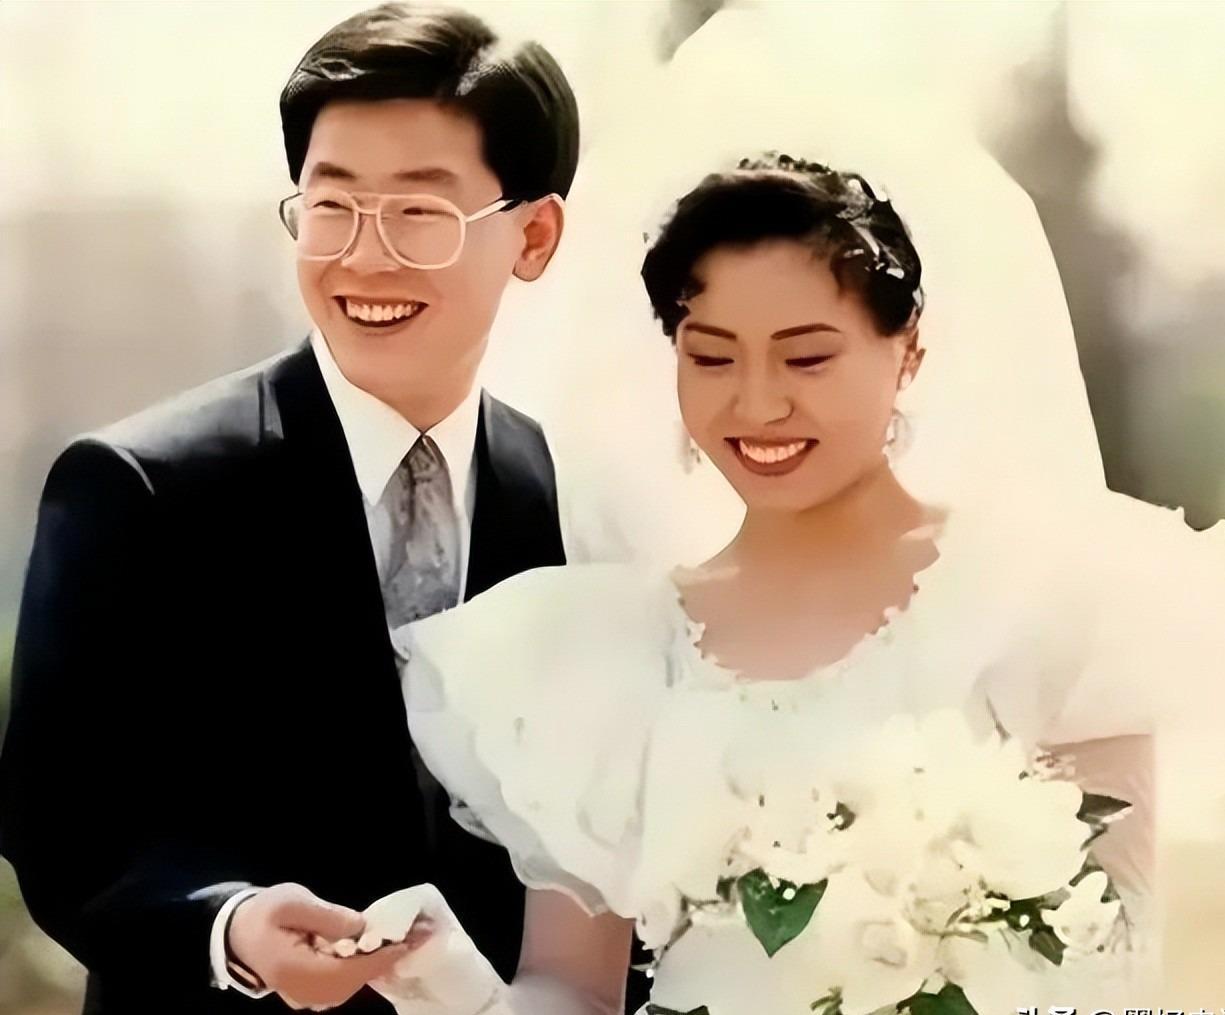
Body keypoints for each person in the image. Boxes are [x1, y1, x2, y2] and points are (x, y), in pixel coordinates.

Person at [377, 143, 1225, 1014]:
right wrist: (447, 977)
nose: (757, 404)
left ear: (907, 352)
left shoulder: (1050, 602)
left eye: (807, 358)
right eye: (711, 358)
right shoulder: (600, 656)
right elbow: (573, 995)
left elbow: (1115, 960)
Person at [0, 4, 645, 1013]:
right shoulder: (141, 486)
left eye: (418, 212)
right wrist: (232, 925)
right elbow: (61, 822)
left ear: (534, 234)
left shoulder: (571, 498)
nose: (364, 257)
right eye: (333, 205)